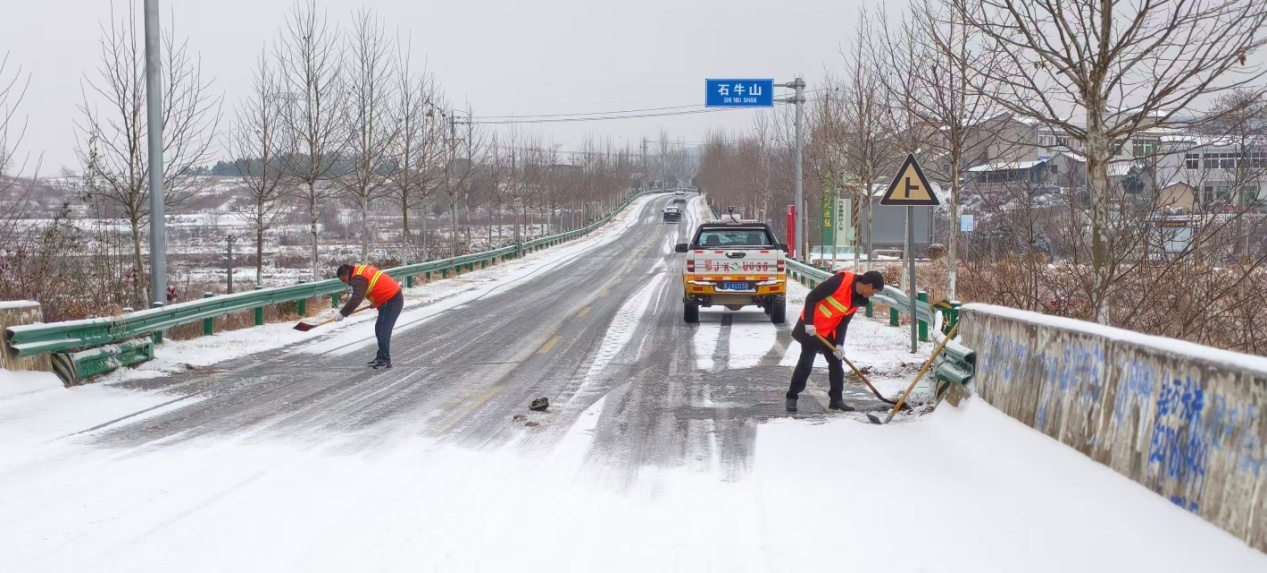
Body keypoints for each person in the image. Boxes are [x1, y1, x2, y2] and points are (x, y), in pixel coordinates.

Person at [785, 270, 885, 412]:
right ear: (868, 286)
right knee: (806, 363)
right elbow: (811, 297)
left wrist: (839, 344)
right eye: (874, 292)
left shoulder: (857, 299)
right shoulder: (840, 282)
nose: (872, 295)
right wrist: (808, 322)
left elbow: (844, 323)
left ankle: (836, 400)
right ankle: (792, 397)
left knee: (837, 364)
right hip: (813, 328)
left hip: (829, 331)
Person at [336, 263, 404, 369]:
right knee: (380, 329)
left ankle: (385, 360)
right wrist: (376, 300)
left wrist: (343, 313)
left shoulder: (357, 278)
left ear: (346, 274)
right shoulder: (360, 270)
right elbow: (374, 283)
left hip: (391, 300)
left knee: (383, 331)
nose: (346, 283)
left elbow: (356, 299)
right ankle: (381, 357)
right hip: (389, 298)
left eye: (344, 280)